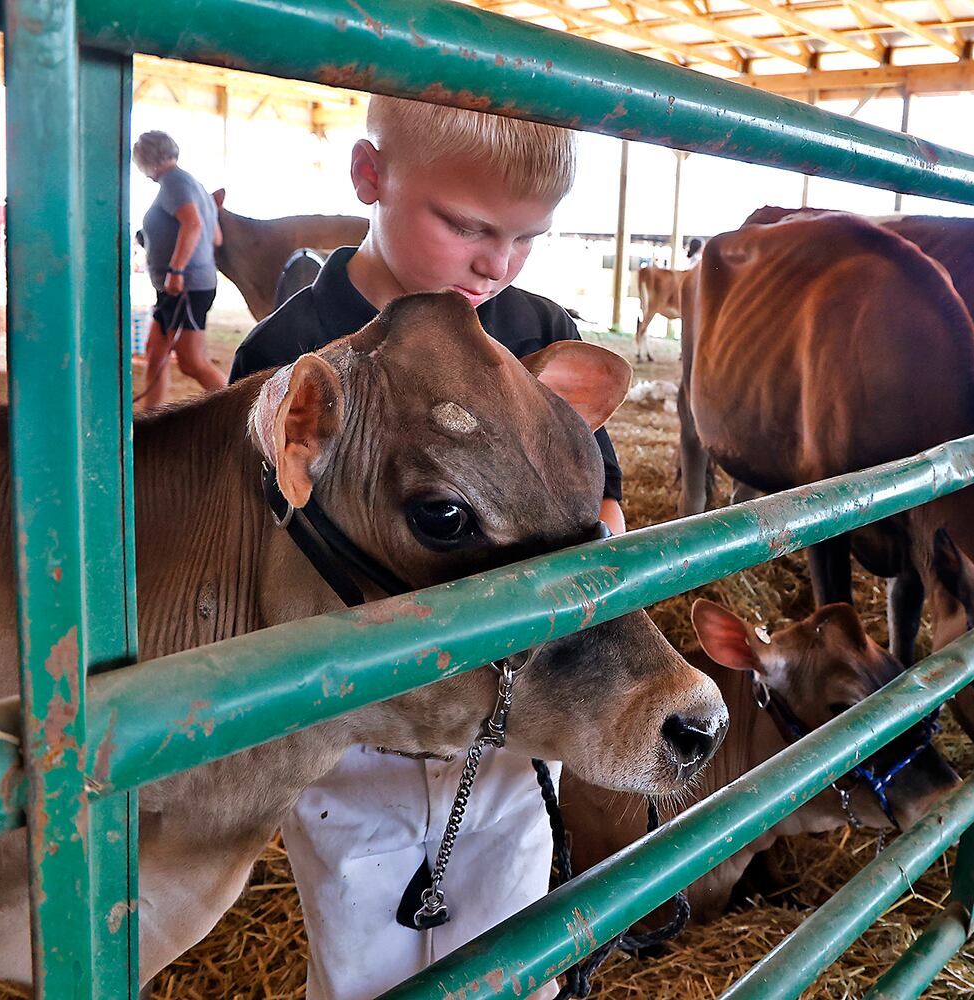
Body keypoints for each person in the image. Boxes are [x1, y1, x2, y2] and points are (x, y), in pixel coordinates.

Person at [229, 96, 624, 1000]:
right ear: (370, 177)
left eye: (528, 238)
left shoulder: (535, 331)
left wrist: (593, 561)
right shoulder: (291, 349)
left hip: (518, 709)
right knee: (364, 941)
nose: (499, 262)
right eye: (467, 225)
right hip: (358, 730)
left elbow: (602, 499)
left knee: (512, 920)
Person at [133, 130, 228, 409]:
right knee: (156, 353)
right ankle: (152, 419)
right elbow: (215, 237)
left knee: (191, 361)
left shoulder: (175, 182)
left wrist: (175, 271)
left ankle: (243, 411)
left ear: (146, 158)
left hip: (185, 285)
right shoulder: (191, 184)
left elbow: (194, 225)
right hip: (182, 285)